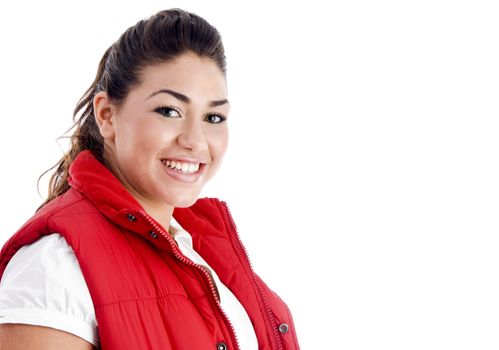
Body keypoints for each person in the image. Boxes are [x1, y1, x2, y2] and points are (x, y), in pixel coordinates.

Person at [0, 8, 299, 350]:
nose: (195, 140)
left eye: (213, 117)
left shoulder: (202, 251)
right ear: (107, 115)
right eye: (169, 111)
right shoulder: (54, 266)